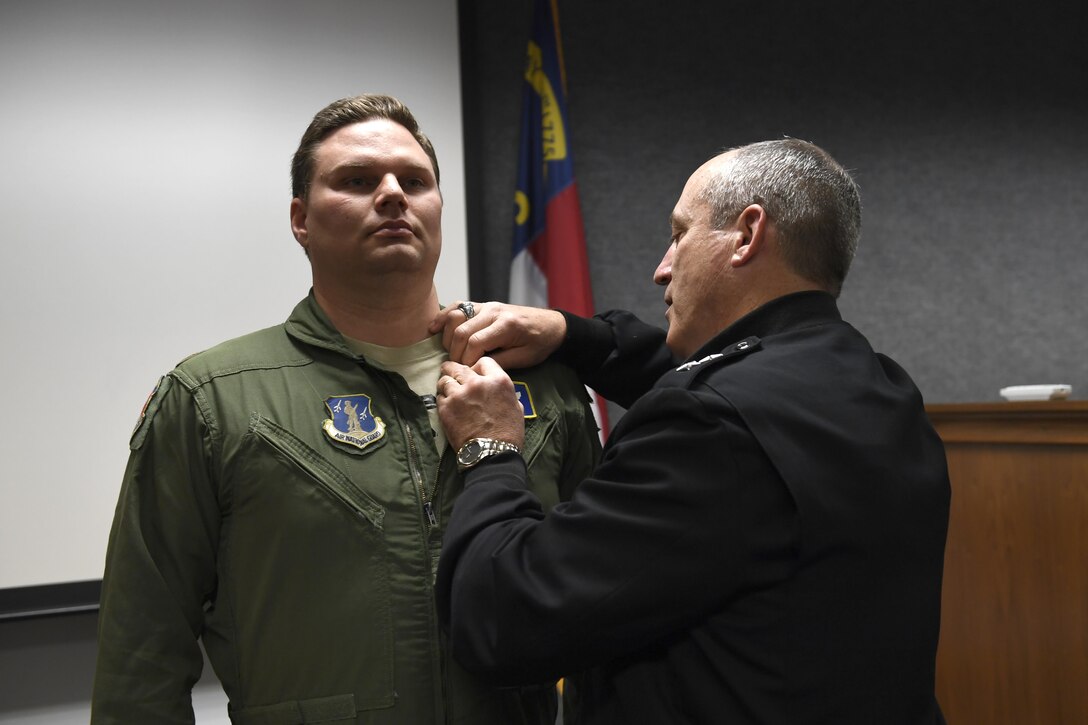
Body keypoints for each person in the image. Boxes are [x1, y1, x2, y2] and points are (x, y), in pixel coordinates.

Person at [91, 94, 601, 724]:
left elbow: (601, 616)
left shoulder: (543, 391)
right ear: (301, 219)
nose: (393, 194)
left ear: (439, 207)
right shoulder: (213, 398)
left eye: (415, 181)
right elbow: (142, 660)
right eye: (357, 181)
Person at [430, 139, 950, 724]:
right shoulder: (881, 388)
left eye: (679, 234)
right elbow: (736, 386)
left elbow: (505, 617)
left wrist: (491, 449)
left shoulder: (712, 423)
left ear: (747, 235)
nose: (661, 268)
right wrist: (572, 335)